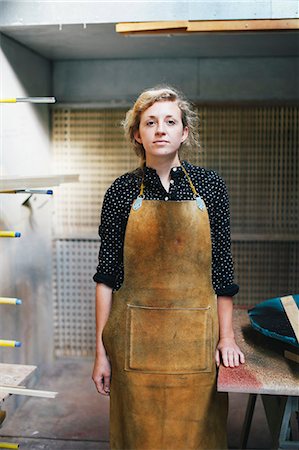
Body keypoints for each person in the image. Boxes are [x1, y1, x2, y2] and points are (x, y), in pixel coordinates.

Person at [92, 86, 245, 450]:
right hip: (132, 342)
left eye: (170, 121)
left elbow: (222, 272)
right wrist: (101, 353)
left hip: (195, 340)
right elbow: (105, 279)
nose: (161, 129)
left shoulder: (210, 187)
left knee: (197, 435)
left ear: (184, 132)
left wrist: (226, 337)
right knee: (138, 436)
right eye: (150, 122)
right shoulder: (120, 191)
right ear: (137, 134)